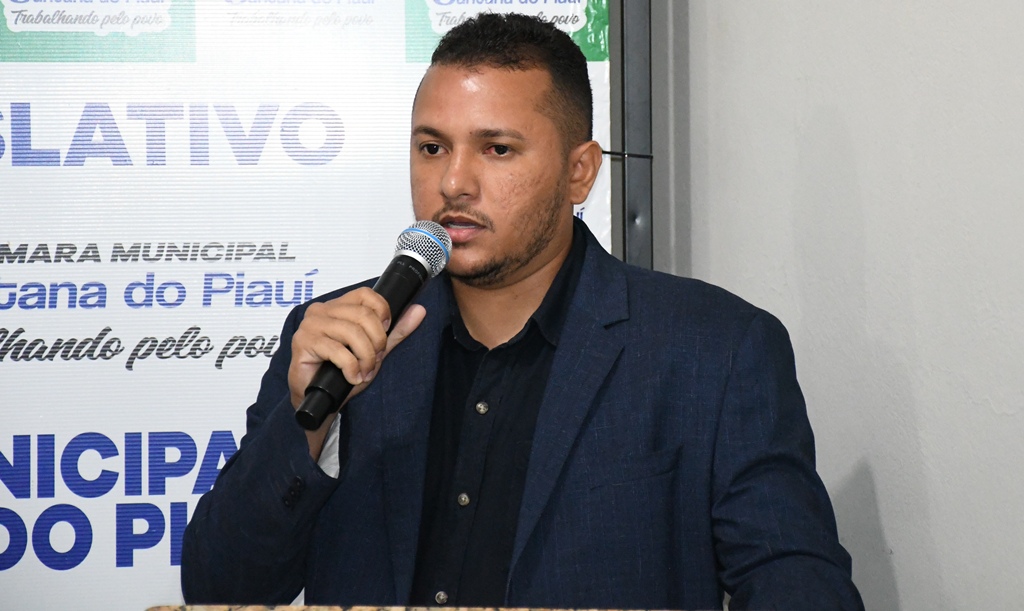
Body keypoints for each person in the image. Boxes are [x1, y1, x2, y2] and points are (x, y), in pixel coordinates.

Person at [181, 13, 863, 610]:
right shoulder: (338, 336)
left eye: (497, 149)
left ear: (580, 172)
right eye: (432, 148)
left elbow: (795, 580)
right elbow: (220, 587)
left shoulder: (714, 352)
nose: (453, 182)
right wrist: (309, 426)